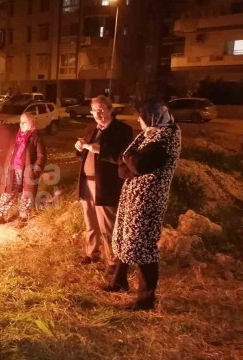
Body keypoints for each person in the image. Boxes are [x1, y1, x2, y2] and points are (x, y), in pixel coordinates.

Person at [103, 100, 181, 311]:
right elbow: (124, 166)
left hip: (148, 200)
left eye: (141, 116)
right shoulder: (148, 135)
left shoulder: (166, 137)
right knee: (125, 236)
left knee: (142, 244)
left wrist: (130, 159)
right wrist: (131, 162)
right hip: (133, 196)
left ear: (153, 117)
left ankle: (145, 299)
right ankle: (119, 281)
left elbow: (138, 164)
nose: (138, 120)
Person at [75, 95, 133, 273]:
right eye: (95, 110)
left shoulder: (122, 130)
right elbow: (85, 153)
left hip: (106, 184)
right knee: (90, 223)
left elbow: (124, 157)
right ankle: (92, 253)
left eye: (102, 110)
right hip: (87, 183)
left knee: (107, 224)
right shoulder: (92, 129)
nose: (98, 114)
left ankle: (113, 262)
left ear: (110, 109)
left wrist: (101, 149)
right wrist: (79, 147)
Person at [0, 113, 47, 228]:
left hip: (27, 171)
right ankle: (1, 215)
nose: (21, 124)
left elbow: (42, 156)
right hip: (13, 169)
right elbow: (8, 149)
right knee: (7, 192)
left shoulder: (36, 137)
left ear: (31, 123)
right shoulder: (17, 136)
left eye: (24, 122)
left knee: (25, 194)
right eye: (20, 121)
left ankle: (23, 217)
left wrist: (35, 171)